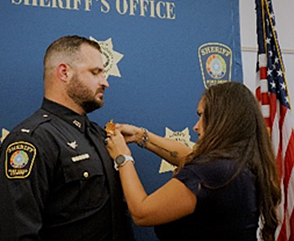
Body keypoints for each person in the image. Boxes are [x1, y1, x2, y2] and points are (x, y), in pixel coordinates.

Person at [0, 35, 134, 241]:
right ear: (64, 72)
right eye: (95, 72)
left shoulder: (98, 134)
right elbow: (20, 233)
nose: (105, 82)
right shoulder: (32, 140)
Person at [105, 81, 281, 241]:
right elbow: (187, 156)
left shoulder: (210, 171)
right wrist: (140, 136)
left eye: (202, 116)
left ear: (222, 120)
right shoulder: (238, 164)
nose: (196, 126)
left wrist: (123, 158)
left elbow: (142, 213)